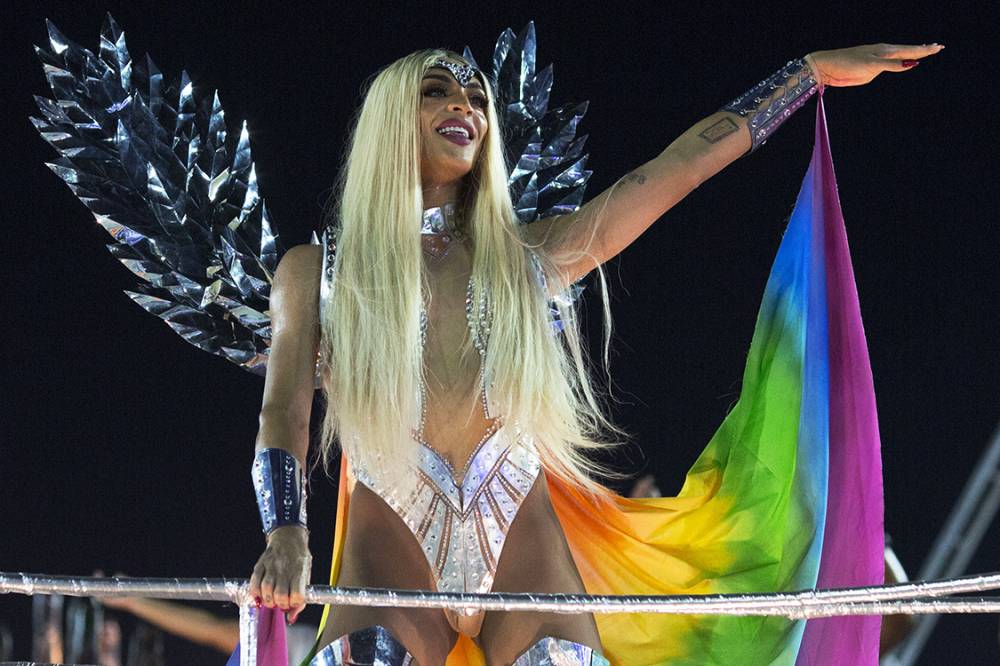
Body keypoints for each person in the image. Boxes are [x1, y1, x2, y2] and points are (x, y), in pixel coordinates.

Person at [247, 44, 943, 664]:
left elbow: (673, 174)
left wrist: (805, 75)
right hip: (389, 537)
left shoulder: (529, 259)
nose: (465, 106)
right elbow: (284, 410)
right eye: (437, 91)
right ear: (389, 115)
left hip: (522, 538)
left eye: (479, 100)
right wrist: (285, 533)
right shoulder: (319, 271)